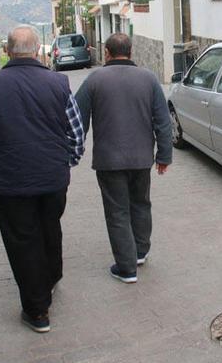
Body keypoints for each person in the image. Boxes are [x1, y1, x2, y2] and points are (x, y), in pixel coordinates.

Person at [0, 25, 84, 333]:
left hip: (10, 181)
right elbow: (75, 131)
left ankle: (37, 311)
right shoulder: (58, 83)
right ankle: (50, 278)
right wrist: (67, 162)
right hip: (53, 177)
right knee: (49, 226)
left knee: (23, 240)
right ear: (37, 51)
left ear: (7, 51)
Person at [75, 33, 172, 284]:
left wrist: (72, 151)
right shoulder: (149, 79)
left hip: (109, 161)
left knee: (117, 211)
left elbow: (77, 121)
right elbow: (162, 121)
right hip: (142, 159)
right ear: (130, 52)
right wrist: (164, 155)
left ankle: (127, 267)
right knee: (141, 204)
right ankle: (140, 252)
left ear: (106, 52)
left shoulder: (94, 80)